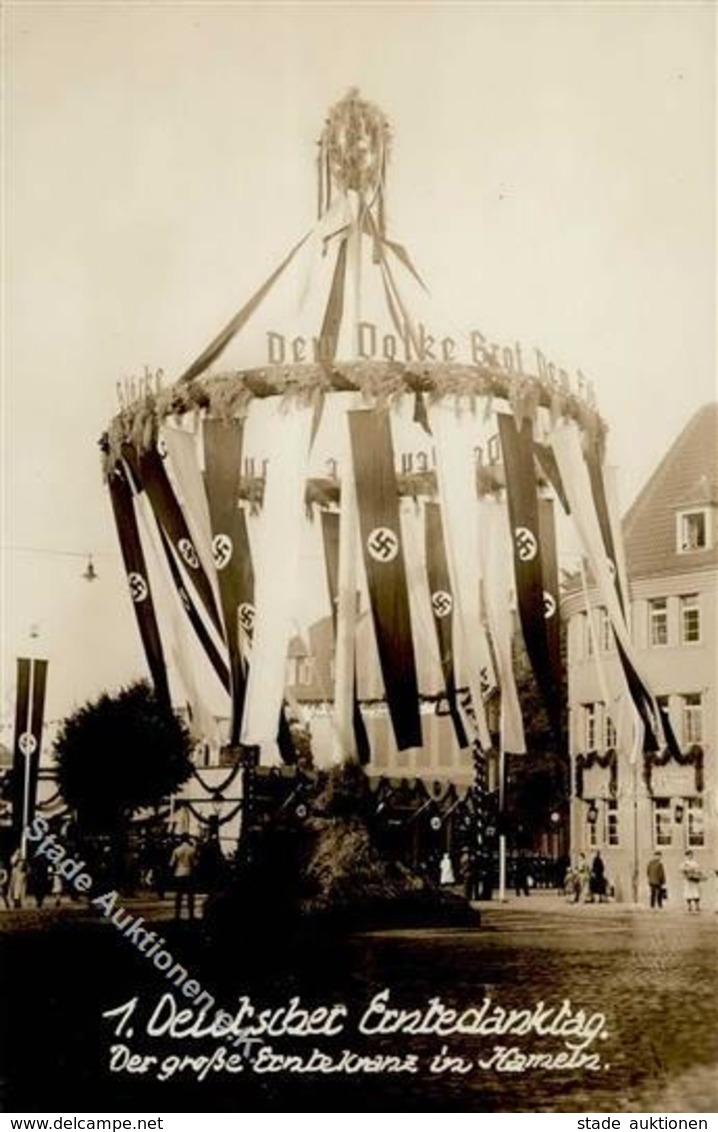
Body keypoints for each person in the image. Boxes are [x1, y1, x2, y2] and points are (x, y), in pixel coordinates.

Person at [170, 833, 197, 920]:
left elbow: (171, 863)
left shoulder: (176, 850)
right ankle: (191, 915)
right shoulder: (192, 850)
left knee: (179, 895)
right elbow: (194, 863)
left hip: (178, 873)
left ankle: (177, 914)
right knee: (190, 895)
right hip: (188, 873)